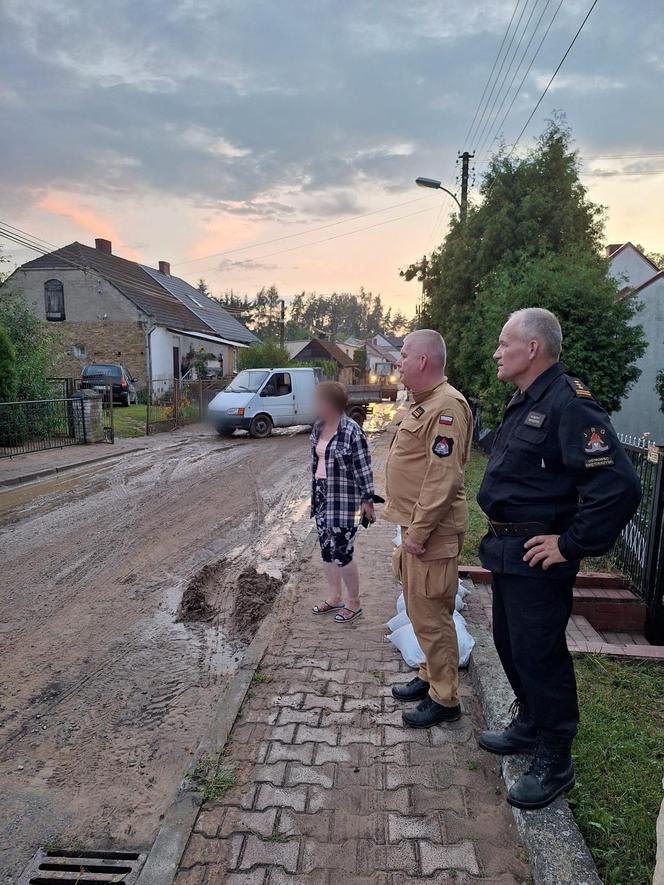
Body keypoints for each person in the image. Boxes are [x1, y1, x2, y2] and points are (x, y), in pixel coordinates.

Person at [477, 307, 641, 810]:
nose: (497, 352)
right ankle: (529, 722)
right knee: (510, 643)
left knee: (541, 654)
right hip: (508, 550)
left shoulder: (571, 404)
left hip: (538, 555)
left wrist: (568, 544)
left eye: (505, 343)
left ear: (532, 349)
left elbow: (619, 486)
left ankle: (556, 756)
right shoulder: (526, 400)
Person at [384, 330, 472, 728]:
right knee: (420, 610)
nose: (397, 362)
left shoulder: (447, 407)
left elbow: (442, 479)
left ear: (423, 361)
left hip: (431, 534)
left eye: (403, 355)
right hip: (418, 528)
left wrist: (417, 534)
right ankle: (430, 676)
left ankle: (446, 699)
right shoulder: (425, 404)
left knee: (433, 615)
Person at [310, 380, 375, 623]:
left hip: (347, 501)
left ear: (331, 403)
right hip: (322, 498)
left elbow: (364, 468)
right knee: (327, 551)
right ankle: (335, 596)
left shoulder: (351, 431)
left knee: (343, 553)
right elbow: (316, 464)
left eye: (319, 400)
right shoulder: (318, 427)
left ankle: (354, 602)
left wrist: (367, 500)